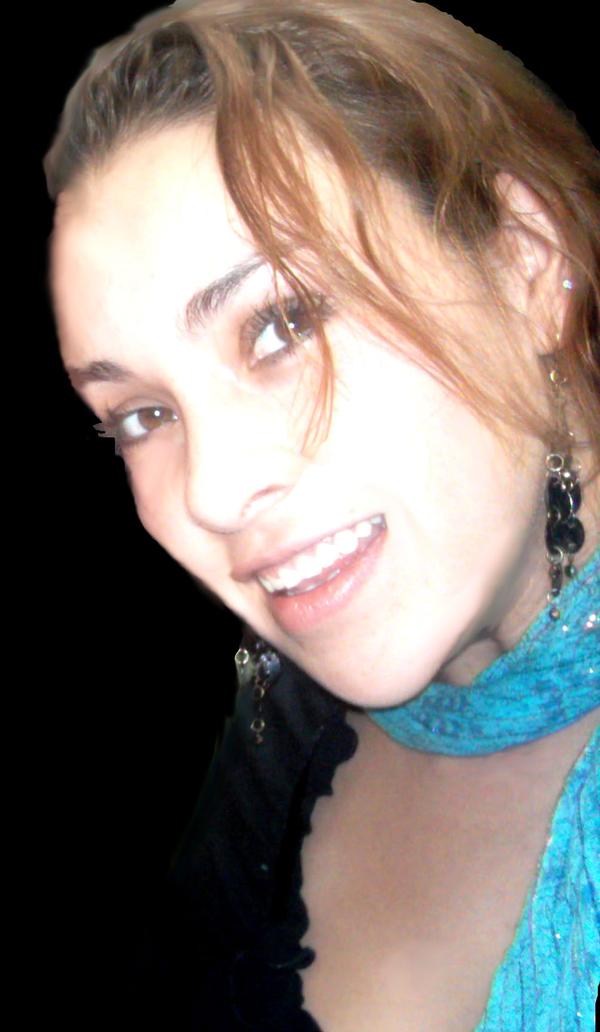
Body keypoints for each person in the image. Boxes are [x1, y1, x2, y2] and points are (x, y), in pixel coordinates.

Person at [43, 1, 599, 1028]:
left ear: (526, 262)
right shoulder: (271, 758)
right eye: (142, 416)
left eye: (281, 323)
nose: (209, 493)